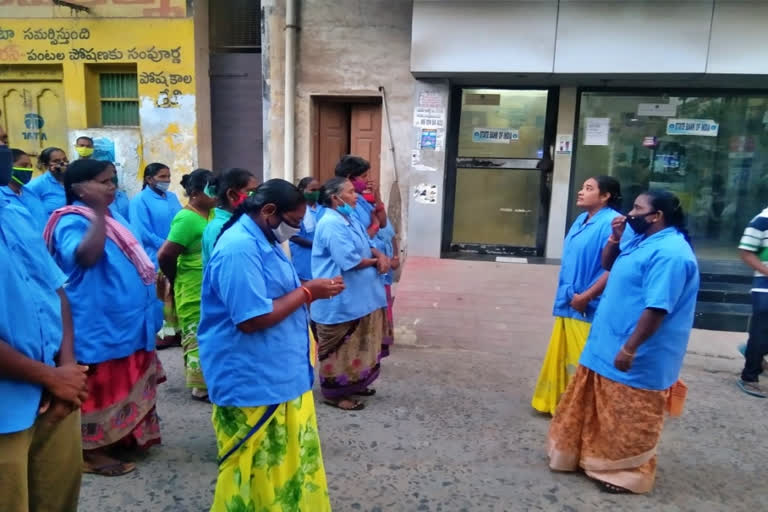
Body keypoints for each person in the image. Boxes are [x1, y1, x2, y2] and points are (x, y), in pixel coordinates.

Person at [199, 179, 342, 512]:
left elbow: (276, 291)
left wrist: (308, 286)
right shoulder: (238, 248)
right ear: (268, 211)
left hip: (281, 373)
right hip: (252, 378)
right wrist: (308, 293)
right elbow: (250, 319)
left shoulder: (264, 238)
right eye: (293, 222)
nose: (296, 230)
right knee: (252, 471)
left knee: (284, 466)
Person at [548, 189, 699, 494]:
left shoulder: (671, 253)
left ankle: (625, 474)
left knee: (627, 418)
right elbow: (608, 264)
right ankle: (587, 457)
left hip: (637, 351)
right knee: (592, 407)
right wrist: (615, 237)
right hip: (605, 341)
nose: (630, 213)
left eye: (637, 209)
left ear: (656, 217)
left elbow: (657, 308)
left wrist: (630, 348)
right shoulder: (641, 239)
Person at [44, 159, 164, 477]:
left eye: (112, 181)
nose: (111, 187)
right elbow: (85, 256)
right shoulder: (71, 220)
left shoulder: (115, 214)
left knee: (129, 377)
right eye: (102, 182)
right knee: (100, 386)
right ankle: (90, 451)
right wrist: (96, 211)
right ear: (79, 189)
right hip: (96, 325)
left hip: (127, 322)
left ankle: (122, 437)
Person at [0, 152, 87, 512]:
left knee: (56, 499)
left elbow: (55, 287)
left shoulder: (13, 206)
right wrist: (50, 376)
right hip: (8, 408)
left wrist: (66, 371)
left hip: (53, 391)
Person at [531, 176, 622, 415]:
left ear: (605, 196)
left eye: (589, 189)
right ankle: (561, 404)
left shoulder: (613, 223)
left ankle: (591, 411)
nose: (581, 192)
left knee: (585, 360)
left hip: (588, 305)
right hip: (569, 301)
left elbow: (616, 267)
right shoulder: (581, 219)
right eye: (582, 188)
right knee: (563, 357)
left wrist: (587, 296)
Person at [311, 176, 391, 411]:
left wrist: (380, 253)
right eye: (350, 192)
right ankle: (335, 394)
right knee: (340, 349)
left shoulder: (349, 216)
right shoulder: (330, 223)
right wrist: (378, 260)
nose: (355, 196)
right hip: (341, 299)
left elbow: (368, 240)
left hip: (361, 298)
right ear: (335, 198)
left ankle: (355, 382)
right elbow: (350, 261)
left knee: (360, 343)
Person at [158, 169, 217, 400]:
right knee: (196, 329)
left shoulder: (212, 214)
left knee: (212, 329)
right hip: (191, 282)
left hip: (209, 281)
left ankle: (212, 377)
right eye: (210, 189)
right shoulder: (187, 218)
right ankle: (199, 385)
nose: (215, 194)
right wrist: (175, 279)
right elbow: (166, 255)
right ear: (194, 193)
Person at [130, 163, 183, 349]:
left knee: (175, 294)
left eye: (168, 176)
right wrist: (169, 245)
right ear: (149, 179)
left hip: (176, 252)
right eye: (162, 177)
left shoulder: (172, 197)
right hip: (155, 254)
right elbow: (142, 232)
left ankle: (177, 331)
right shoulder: (140, 201)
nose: (167, 181)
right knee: (159, 295)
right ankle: (161, 334)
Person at [736, 206, 768, 398]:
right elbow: (746, 252)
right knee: (762, 329)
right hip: (765, 286)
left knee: (762, 337)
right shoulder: (762, 220)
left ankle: (754, 351)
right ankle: (749, 377)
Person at [201, 168, 258, 267]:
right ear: (232, 195)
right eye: (250, 193)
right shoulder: (218, 228)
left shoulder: (242, 222)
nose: (257, 198)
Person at [0, 148, 46, 232]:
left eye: (30, 166)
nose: (29, 170)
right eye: (24, 166)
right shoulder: (1, 196)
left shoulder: (31, 194)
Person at [290, 176, 321, 282]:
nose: (316, 193)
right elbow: (293, 237)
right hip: (304, 258)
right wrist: (316, 245)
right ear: (302, 190)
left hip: (321, 257)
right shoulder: (295, 210)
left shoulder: (321, 208)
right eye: (313, 190)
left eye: (318, 190)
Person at [27, 146, 69, 217]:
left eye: (65, 160)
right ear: (45, 165)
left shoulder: (74, 180)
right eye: (56, 161)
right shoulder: (36, 185)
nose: (62, 163)